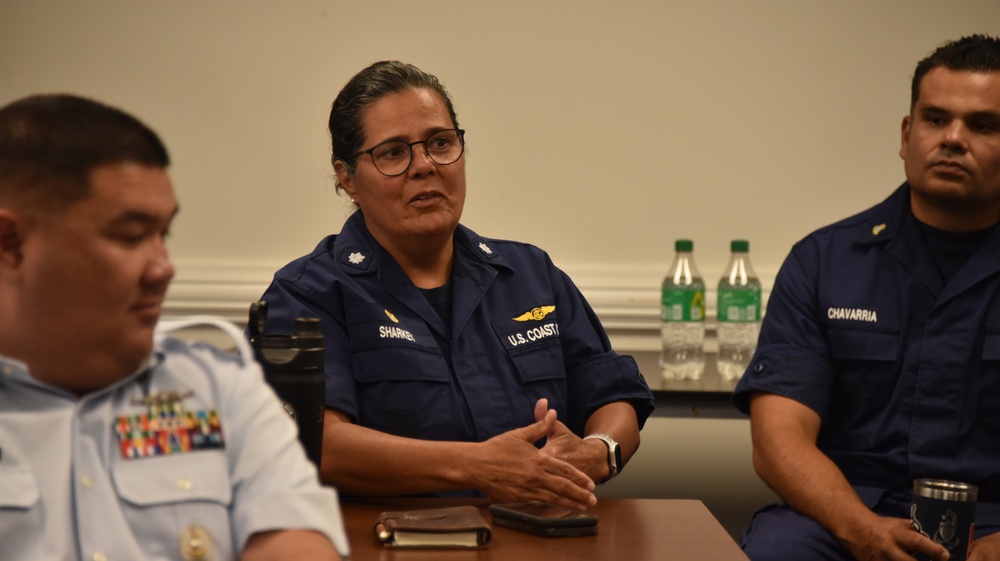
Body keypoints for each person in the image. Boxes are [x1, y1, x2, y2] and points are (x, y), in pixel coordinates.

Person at [255, 60, 655, 510]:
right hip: (384, 542)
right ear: (347, 177)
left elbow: (612, 395)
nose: (424, 166)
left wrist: (599, 452)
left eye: (441, 143)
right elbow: (314, 443)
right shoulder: (308, 293)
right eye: (393, 153)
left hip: (534, 534)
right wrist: (474, 466)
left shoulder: (529, 274)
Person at [0, 94, 348, 561]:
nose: (164, 268)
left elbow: (299, 543)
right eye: (130, 237)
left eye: (163, 234)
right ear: (11, 244)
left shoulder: (219, 390)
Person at [734, 34, 1000, 561]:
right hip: (845, 511)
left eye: (983, 125)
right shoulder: (824, 262)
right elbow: (777, 438)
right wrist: (862, 529)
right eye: (934, 119)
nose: (952, 138)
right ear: (907, 134)